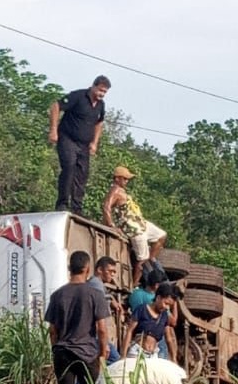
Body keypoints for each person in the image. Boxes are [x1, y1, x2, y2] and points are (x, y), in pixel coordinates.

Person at [45, 250, 110, 384]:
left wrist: (56, 348)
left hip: (63, 353)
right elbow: (101, 328)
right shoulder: (95, 295)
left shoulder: (58, 295)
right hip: (87, 355)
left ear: (69, 268)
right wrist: (102, 352)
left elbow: (52, 330)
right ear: (88, 269)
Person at [49, 75, 111, 215]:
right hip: (67, 138)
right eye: (100, 90)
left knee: (82, 174)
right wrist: (53, 130)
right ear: (93, 86)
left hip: (84, 145)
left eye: (105, 92)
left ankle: (77, 208)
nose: (101, 94)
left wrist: (94, 142)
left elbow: (99, 122)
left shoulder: (101, 105)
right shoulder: (78, 96)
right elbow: (56, 106)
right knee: (69, 166)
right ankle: (62, 204)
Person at [102, 165, 167, 286]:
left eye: (127, 179)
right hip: (133, 228)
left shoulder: (122, 191)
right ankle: (134, 284)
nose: (127, 181)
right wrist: (111, 225)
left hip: (140, 223)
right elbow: (106, 206)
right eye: (124, 179)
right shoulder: (115, 191)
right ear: (117, 178)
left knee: (161, 236)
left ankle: (151, 257)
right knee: (141, 261)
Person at [121, 282, 178, 363]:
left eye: (169, 306)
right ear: (158, 298)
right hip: (137, 353)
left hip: (153, 355)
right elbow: (129, 331)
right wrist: (123, 355)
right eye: (166, 303)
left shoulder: (164, 316)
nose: (167, 307)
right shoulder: (141, 310)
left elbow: (168, 339)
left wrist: (174, 358)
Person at [88, 256, 123, 363]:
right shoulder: (96, 285)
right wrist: (105, 344)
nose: (112, 274)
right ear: (99, 270)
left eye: (114, 272)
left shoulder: (97, 284)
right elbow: (98, 316)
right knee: (116, 362)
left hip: (95, 336)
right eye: (110, 271)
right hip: (96, 336)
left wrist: (111, 299)